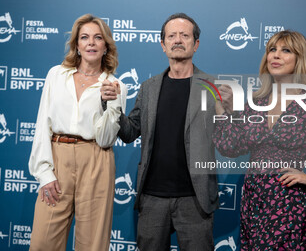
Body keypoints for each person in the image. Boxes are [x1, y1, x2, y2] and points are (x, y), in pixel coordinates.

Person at [214, 30, 306, 250]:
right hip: (253, 202)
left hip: (288, 203)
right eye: (272, 50)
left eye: (285, 50)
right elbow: (231, 147)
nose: (276, 55)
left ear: (299, 59)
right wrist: (224, 112)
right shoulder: (256, 103)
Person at [101, 13, 218, 250]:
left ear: (195, 44)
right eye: (171, 36)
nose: (177, 40)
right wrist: (112, 106)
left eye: (184, 35)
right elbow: (129, 132)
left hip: (195, 199)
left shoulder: (213, 87)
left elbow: (229, 140)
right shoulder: (149, 88)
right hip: (152, 197)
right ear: (163, 45)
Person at [28, 14, 126, 251]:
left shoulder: (116, 85)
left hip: (96, 160)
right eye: (84, 38)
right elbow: (42, 124)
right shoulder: (56, 75)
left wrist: (109, 104)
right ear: (77, 46)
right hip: (58, 157)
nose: (91, 42)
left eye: (97, 38)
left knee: (92, 244)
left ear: (106, 47)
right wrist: (44, 173)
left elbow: (105, 139)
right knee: (43, 242)